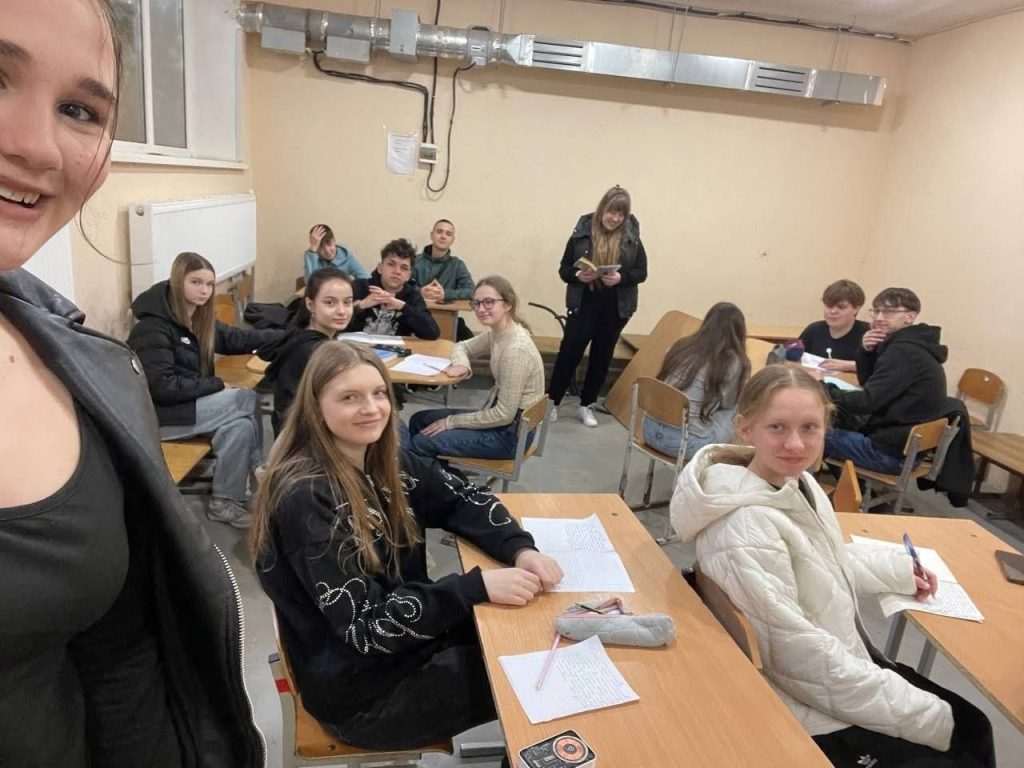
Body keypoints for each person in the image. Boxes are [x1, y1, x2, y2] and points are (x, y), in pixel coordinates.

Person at [0, 1, 262, 764]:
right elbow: (175, 387)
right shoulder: (148, 333)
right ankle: (232, 494)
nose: (35, 145)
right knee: (240, 406)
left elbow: (113, 654)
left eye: (79, 110)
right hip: (180, 412)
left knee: (246, 401)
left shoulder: (80, 363)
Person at [670, 366, 995, 768]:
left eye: (809, 427)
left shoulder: (796, 484)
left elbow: (823, 560)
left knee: (972, 725)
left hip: (832, 666)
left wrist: (898, 571)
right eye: (777, 427)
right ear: (745, 428)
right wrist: (923, 714)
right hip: (812, 707)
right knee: (968, 734)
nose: (795, 443)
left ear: (826, 427)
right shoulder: (747, 526)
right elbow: (796, 656)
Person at [251, 342, 563, 750]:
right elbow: (366, 628)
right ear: (315, 408)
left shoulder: (383, 459)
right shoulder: (307, 498)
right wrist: (474, 588)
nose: (371, 408)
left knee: (529, 637)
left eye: (379, 393)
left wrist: (521, 549)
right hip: (364, 696)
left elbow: (461, 498)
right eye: (349, 398)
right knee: (536, 674)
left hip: (401, 650)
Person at [128, 251, 282, 527]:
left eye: (209, 284)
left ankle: (224, 503)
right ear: (178, 282)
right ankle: (260, 472)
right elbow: (161, 387)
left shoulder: (198, 320)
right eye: (196, 282)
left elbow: (237, 338)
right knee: (245, 399)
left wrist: (287, 337)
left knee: (240, 427)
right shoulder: (152, 328)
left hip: (188, 408)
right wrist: (216, 384)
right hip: (159, 416)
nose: (205, 290)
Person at [407, 276, 545, 460]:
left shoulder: (516, 349)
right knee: (419, 420)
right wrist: (462, 364)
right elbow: (462, 346)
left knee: (421, 442)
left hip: (511, 436)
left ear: (507, 304)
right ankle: (430, 472)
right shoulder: (498, 333)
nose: (480, 309)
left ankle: (443, 478)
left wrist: (451, 422)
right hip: (501, 420)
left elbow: (504, 415)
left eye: (488, 302)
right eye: (476, 303)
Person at [548, 186, 647, 427]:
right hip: (583, 304)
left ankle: (587, 404)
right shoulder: (582, 232)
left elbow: (641, 272)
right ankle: (552, 402)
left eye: (621, 214)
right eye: (611, 212)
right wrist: (577, 275)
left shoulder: (632, 236)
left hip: (615, 308)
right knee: (569, 354)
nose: (615, 218)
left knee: (601, 358)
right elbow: (564, 269)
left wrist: (621, 278)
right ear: (602, 209)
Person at [822, 287, 948, 475]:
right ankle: (851, 484)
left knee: (809, 433)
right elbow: (868, 384)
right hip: (902, 446)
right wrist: (866, 352)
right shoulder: (909, 344)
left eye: (888, 312)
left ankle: (841, 488)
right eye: (876, 311)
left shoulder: (903, 352)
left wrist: (822, 389)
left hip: (890, 454)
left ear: (910, 317)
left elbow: (866, 402)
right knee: (831, 419)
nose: (879, 318)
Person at [642, 302, 750, 459]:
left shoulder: (678, 347)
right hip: (686, 444)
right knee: (738, 409)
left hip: (649, 432)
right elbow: (728, 404)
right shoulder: (731, 362)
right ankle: (727, 465)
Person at [260, 266, 354, 434]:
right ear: (311, 305)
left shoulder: (301, 335)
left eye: (347, 302)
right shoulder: (315, 351)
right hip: (307, 436)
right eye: (330, 303)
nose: (342, 311)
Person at [349, 238, 440, 339]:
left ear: (408, 276)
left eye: (404, 268)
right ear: (380, 268)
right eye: (391, 264)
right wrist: (362, 305)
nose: (397, 271)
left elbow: (432, 333)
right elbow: (336, 325)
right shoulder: (359, 287)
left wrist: (403, 307)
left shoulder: (413, 297)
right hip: (355, 347)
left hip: (396, 348)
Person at [413, 219, 475, 340]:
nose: (443, 236)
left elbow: (472, 291)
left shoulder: (457, 265)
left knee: (469, 340)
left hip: (448, 317)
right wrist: (420, 291)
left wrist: (445, 294)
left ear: (452, 240)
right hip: (416, 317)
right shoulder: (414, 261)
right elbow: (400, 287)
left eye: (448, 234)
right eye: (439, 232)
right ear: (432, 235)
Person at [798, 279, 870, 373]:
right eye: (829, 306)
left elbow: (881, 368)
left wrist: (851, 366)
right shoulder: (813, 330)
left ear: (856, 308)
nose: (833, 311)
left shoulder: (868, 334)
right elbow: (791, 358)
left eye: (841, 307)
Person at [303, 223, 369, 281]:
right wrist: (313, 250)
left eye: (329, 243)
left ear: (334, 240)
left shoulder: (345, 255)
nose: (327, 251)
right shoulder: (311, 255)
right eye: (320, 246)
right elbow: (310, 283)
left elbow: (365, 277)